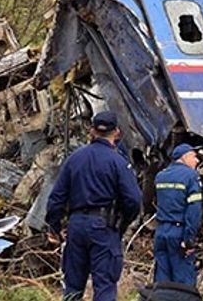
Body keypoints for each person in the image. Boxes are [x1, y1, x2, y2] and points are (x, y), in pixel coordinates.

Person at [46, 111, 143, 301]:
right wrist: (121, 225)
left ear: (92, 131)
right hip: (103, 229)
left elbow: (56, 198)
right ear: (117, 132)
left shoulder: (74, 159)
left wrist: (54, 227)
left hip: (76, 227)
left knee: (72, 288)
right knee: (104, 287)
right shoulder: (118, 162)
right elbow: (133, 199)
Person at [153, 143, 203, 286]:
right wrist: (189, 239)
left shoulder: (161, 176)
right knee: (183, 284)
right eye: (194, 157)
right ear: (185, 157)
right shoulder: (191, 176)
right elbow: (194, 210)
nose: (197, 161)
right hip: (179, 232)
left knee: (162, 283)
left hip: (161, 232)